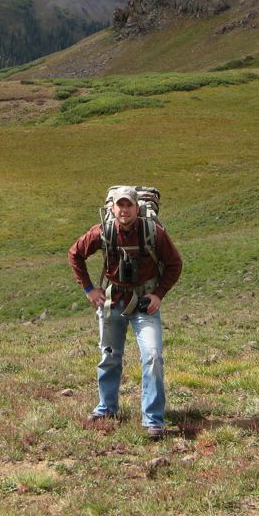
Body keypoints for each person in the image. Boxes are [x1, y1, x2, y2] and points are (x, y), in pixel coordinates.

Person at [67, 186, 183, 437]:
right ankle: (106, 408)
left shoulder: (154, 233)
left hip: (144, 304)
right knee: (109, 357)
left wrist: (158, 294)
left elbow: (175, 264)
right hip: (112, 302)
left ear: (137, 207)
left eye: (129, 205)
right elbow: (75, 254)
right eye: (120, 205)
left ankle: (153, 419)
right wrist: (89, 289)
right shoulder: (102, 232)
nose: (124, 210)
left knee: (153, 355)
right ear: (112, 208)